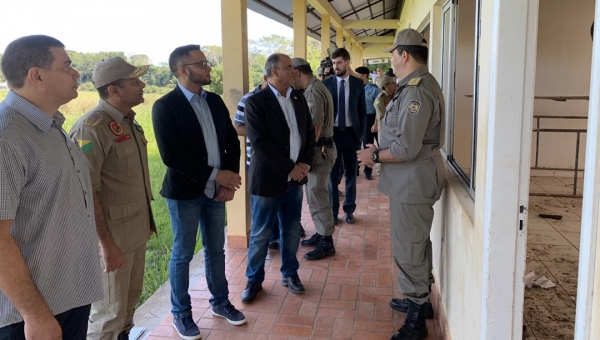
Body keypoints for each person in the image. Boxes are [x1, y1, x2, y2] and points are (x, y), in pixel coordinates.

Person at [0, 35, 102, 340]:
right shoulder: (8, 137)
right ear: (37, 75)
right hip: (32, 314)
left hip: (69, 296)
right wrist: (35, 315)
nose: (76, 74)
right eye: (67, 66)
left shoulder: (50, 126)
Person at [152, 44, 245, 340]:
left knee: (216, 250)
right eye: (202, 63)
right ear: (183, 70)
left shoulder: (215, 101)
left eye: (207, 62)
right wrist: (217, 175)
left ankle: (220, 302)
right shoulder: (165, 106)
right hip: (184, 194)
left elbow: (232, 141)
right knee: (182, 254)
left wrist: (227, 181)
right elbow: (171, 156)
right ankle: (181, 314)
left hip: (215, 192)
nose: (208, 68)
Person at [357, 28, 445, 340]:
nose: (391, 59)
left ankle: (416, 319)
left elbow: (406, 148)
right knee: (416, 242)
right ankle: (418, 300)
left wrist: (375, 156)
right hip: (412, 180)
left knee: (408, 248)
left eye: (393, 53)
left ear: (403, 55)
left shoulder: (416, 91)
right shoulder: (414, 86)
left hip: (413, 181)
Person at [69, 57, 156, 340]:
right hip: (112, 241)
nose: (142, 85)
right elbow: (85, 191)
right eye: (135, 81)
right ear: (114, 91)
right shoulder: (90, 128)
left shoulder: (127, 122)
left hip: (135, 232)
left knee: (127, 309)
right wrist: (105, 244)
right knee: (108, 317)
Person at [241, 53, 316, 302]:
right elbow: (260, 142)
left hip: (295, 180)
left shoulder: (298, 98)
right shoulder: (256, 102)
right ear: (274, 72)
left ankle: (290, 273)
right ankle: (254, 281)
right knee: (262, 233)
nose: (294, 72)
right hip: (269, 180)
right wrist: (288, 168)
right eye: (288, 68)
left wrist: (305, 163)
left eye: (294, 68)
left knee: (292, 229)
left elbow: (308, 133)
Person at [233, 72, 286, 250]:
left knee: (283, 202)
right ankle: (268, 238)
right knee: (262, 206)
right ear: (266, 78)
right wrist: (261, 131)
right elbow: (237, 127)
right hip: (259, 163)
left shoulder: (286, 97)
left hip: (285, 162)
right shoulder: (249, 99)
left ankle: (277, 235)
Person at [292, 58, 338, 261]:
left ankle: (327, 241)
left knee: (317, 196)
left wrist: (305, 158)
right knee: (315, 195)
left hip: (319, 152)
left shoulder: (312, 92)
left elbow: (315, 128)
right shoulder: (317, 87)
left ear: (297, 73)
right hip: (321, 150)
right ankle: (321, 233)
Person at [322, 47, 367, 225]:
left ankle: (349, 210)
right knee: (332, 176)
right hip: (332, 135)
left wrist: (361, 136)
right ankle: (333, 213)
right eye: (333, 63)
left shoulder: (357, 84)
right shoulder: (326, 84)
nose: (336, 66)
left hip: (351, 135)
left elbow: (362, 112)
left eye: (339, 62)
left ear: (347, 63)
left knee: (351, 174)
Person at [355, 66, 382, 180]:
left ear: (364, 75)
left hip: (370, 118)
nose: (355, 77)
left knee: (367, 144)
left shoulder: (374, 89)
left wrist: (375, 123)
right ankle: (355, 169)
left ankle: (368, 171)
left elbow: (379, 108)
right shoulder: (354, 87)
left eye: (357, 75)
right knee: (356, 144)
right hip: (357, 119)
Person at [374, 72, 398, 141]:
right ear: (386, 86)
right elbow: (383, 117)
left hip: (395, 130)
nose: (395, 83)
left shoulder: (395, 95)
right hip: (385, 132)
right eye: (392, 82)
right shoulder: (379, 99)